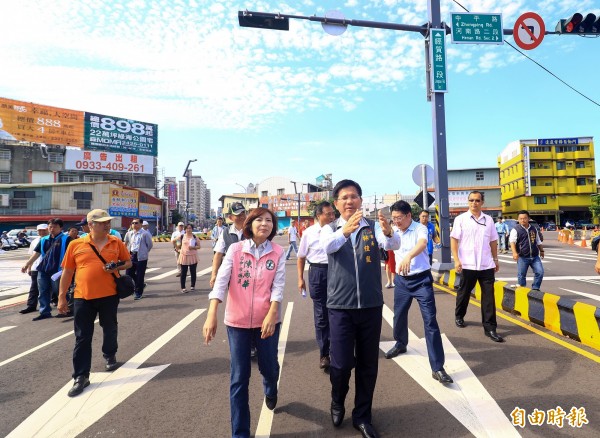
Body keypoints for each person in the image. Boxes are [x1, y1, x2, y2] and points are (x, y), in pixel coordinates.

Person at [320, 179, 398, 438]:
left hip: (371, 306)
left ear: (361, 201)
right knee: (341, 365)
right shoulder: (329, 228)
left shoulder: (373, 227)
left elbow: (392, 245)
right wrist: (345, 231)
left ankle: (362, 416)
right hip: (340, 307)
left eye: (354, 197)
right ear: (336, 203)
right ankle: (337, 399)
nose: (350, 201)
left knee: (368, 365)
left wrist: (388, 232)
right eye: (344, 197)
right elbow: (326, 247)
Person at [203, 208, 285, 438]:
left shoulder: (278, 251)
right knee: (239, 377)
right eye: (260, 219)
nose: (265, 224)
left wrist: (272, 313)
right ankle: (240, 434)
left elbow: (278, 286)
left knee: (268, 366)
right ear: (250, 224)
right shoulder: (235, 249)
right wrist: (212, 313)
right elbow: (221, 281)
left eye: (269, 221)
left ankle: (271, 387)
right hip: (237, 323)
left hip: (267, 321)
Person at [58, 209, 132, 397]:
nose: (107, 225)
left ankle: (110, 354)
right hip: (82, 296)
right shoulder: (75, 244)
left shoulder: (116, 242)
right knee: (82, 336)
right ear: (91, 225)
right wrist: (61, 296)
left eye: (108, 222)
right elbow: (67, 272)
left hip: (109, 295)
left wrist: (117, 266)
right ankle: (81, 376)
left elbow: (128, 262)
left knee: (110, 327)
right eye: (102, 223)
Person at [384, 201, 453, 384]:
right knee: (398, 315)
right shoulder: (394, 230)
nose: (396, 222)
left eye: (399, 218)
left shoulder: (420, 228)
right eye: (394, 218)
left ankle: (437, 367)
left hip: (421, 280)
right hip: (401, 281)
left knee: (430, 321)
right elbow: (386, 244)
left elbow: (422, 244)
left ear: (408, 216)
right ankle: (400, 343)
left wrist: (408, 256)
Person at [451, 191, 504, 343]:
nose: (474, 203)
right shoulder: (461, 219)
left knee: (489, 297)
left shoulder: (489, 220)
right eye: (471, 200)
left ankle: (490, 328)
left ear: (482, 202)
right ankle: (459, 315)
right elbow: (454, 240)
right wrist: (456, 260)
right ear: (468, 202)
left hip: (486, 264)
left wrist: (495, 259)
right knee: (464, 292)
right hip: (467, 264)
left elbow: (493, 241)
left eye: (477, 200)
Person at [297, 201, 336, 371]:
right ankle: (324, 354)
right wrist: (300, 278)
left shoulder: (338, 230)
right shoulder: (308, 233)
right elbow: (301, 257)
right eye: (328, 214)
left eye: (333, 214)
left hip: (336, 272)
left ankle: (339, 350)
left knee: (337, 312)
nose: (331, 217)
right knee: (321, 315)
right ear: (318, 215)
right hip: (317, 273)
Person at [21, 218, 72, 321]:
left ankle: (65, 310)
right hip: (43, 269)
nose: (52, 229)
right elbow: (37, 253)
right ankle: (44, 312)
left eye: (55, 227)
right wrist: (27, 264)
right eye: (50, 227)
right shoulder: (44, 239)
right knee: (43, 291)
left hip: (58, 270)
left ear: (61, 228)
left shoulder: (67, 239)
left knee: (60, 291)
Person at [209, 203, 247, 288]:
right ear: (230, 217)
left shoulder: (252, 230)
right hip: (232, 274)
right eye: (238, 215)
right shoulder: (226, 232)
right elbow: (218, 254)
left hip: (250, 272)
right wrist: (214, 275)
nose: (242, 217)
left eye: (243, 213)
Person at [509, 210, 544, 291]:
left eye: (524, 218)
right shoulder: (516, 229)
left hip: (535, 256)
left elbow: (538, 241)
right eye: (520, 218)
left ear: (529, 218)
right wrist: (514, 253)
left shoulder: (533, 228)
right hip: (522, 256)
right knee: (521, 275)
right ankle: (522, 290)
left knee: (540, 272)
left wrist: (541, 251)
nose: (522, 220)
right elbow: (512, 242)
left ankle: (535, 288)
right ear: (518, 219)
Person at [18, 224, 48, 314]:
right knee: (34, 287)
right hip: (36, 267)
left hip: (48, 268)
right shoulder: (34, 241)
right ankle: (31, 305)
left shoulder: (51, 240)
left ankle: (58, 303)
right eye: (39, 231)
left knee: (53, 288)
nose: (41, 232)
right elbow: (32, 255)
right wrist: (29, 267)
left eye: (43, 230)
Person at [124, 218, 153, 300]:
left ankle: (138, 292)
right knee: (128, 273)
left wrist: (144, 252)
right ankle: (140, 284)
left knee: (140, 275)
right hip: (131, 255)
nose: (134, 224)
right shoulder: (129, 234)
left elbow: (150, 245)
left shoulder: (145, 234)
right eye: (132, 223)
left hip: (141, 257)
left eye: (136, 223)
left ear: (140, 224)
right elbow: (126, 243)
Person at [178, 224, 199, 292]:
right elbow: (175, 242)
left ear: (192, 229)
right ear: (185, 229)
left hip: (193, 256)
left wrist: (193, 247)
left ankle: (192, 286)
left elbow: (199, 246)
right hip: (184, 256)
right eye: (187, 228)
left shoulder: (195, 237)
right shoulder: (182, 236)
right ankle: (183, 287)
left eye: (190, 228)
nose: (189, 230)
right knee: (183, 273)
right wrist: (178, 249)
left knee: (193, 272)